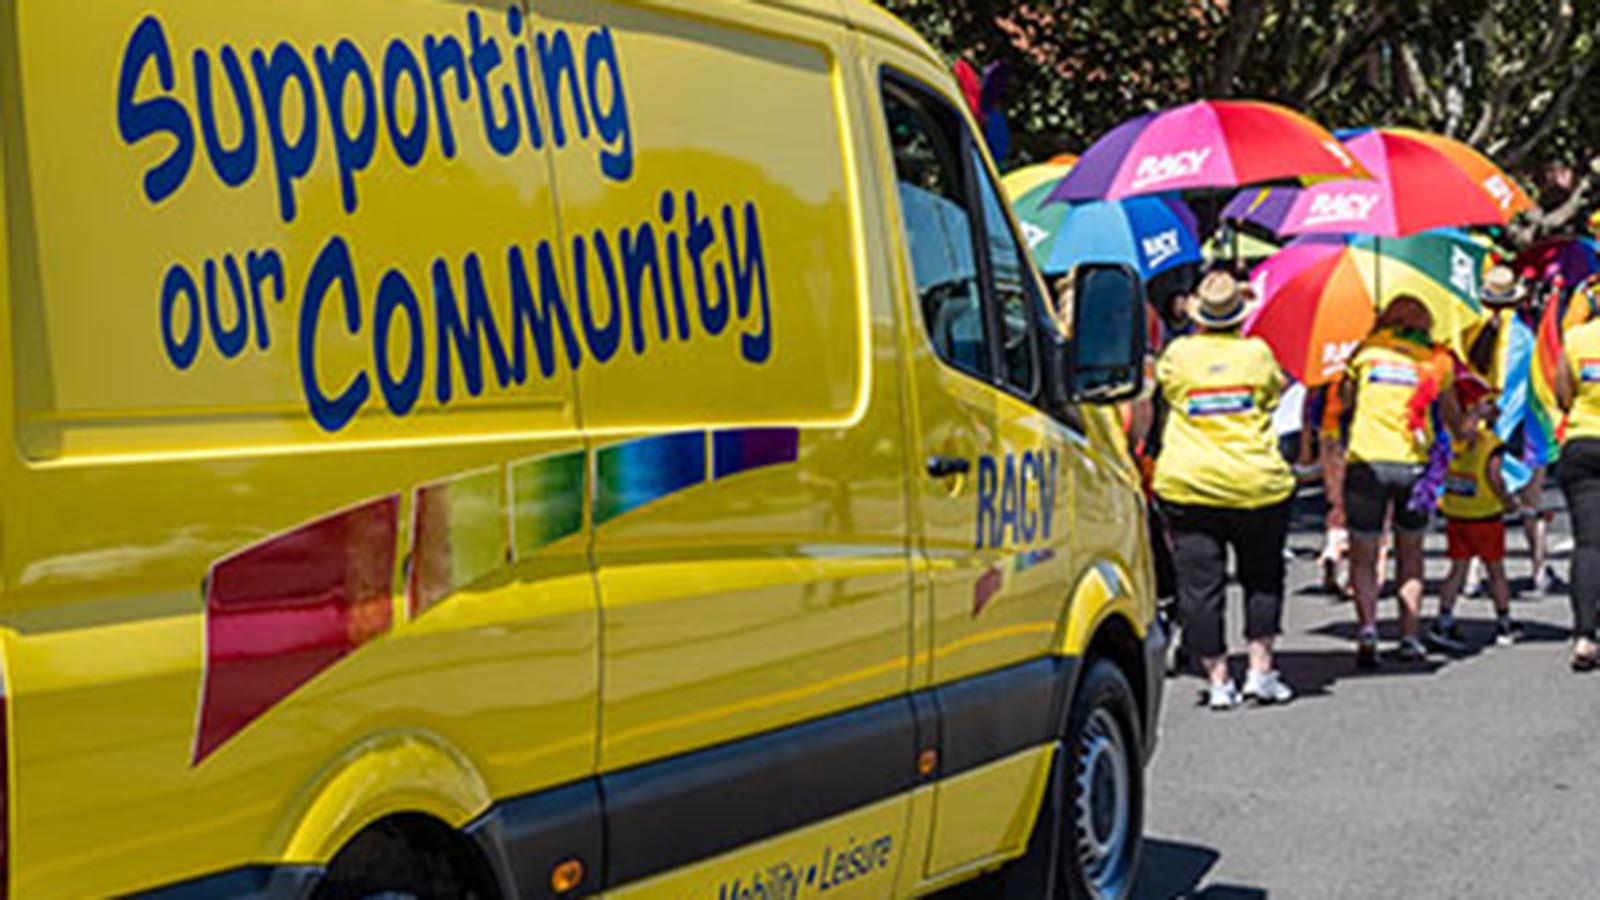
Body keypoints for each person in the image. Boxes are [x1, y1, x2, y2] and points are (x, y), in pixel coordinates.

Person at [1153, 271, 1296, 709]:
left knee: (1199, 586)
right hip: (1256, 483)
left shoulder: (1178, 354)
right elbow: (1273, 394)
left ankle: (1218, 680)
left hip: (1190, 482)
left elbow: (1166, 388)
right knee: (1262, 576)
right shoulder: (1257, 354)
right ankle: (1260, 670)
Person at [1342, 295, 1462, 667]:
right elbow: (1453, 420)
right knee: (1410, 554)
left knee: (1364, 552)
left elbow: (1345, 402)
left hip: (1366, 461)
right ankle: (1409, 635)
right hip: (1413, 465)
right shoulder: (1436, 362)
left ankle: (1368, 629)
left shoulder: (1364, 353)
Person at [1427, 387, 1524, 650]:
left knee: (1457, 568)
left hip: (1457, 512)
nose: (1498, 409)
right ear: (1477, 409)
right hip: (1485, 514)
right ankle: (1504, 622)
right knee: (1496, 571)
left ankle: (1444, 618)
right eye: (1491, 404)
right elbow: (1494, 476)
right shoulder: (1489, 443)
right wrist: (1508, 501)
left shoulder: (1451, 439)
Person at [1554, 311, 1600, 669]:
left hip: (1583, 443)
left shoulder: (1576, 337)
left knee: (1589, 543)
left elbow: (1562, 393)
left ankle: (1584, 635)